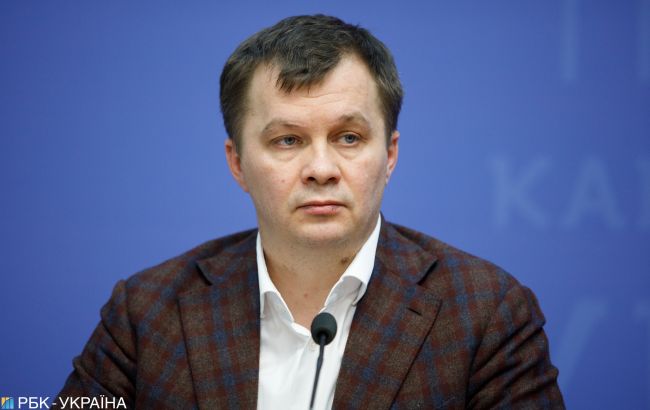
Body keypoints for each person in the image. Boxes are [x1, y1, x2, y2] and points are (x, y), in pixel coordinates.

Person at [56, 14, 565, 409]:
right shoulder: (147, 313)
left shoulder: (485, 314)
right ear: (237, 163)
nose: (321, 169)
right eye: (287, 140)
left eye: (349, 138)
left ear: (390, 155)